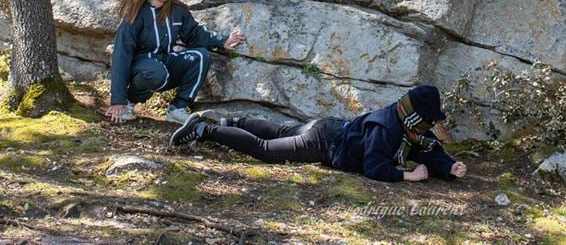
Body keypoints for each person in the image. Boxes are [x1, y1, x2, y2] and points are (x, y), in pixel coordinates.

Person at [169, 84, 468, 183]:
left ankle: (232, 121)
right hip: (324, 142)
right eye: (428, 119)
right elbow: (375, 167)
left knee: (281, 131)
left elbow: (425, 149)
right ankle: (205, 129)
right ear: (415, 114)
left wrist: (448, 166)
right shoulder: (387, 128)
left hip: (328, 127)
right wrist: (408, 176)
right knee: (266, 149)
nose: (430, 125)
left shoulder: (407, 127)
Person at [105, 0, 245, 125]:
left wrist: (223, 40)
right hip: (142, 67)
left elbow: (195, 34)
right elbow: (121, 54)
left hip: (165, 61)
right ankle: (128, 103)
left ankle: (178, 108)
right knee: (155, 72)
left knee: (201, 56)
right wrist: (117, 100)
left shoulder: (177, 11)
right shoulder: (135, 14)